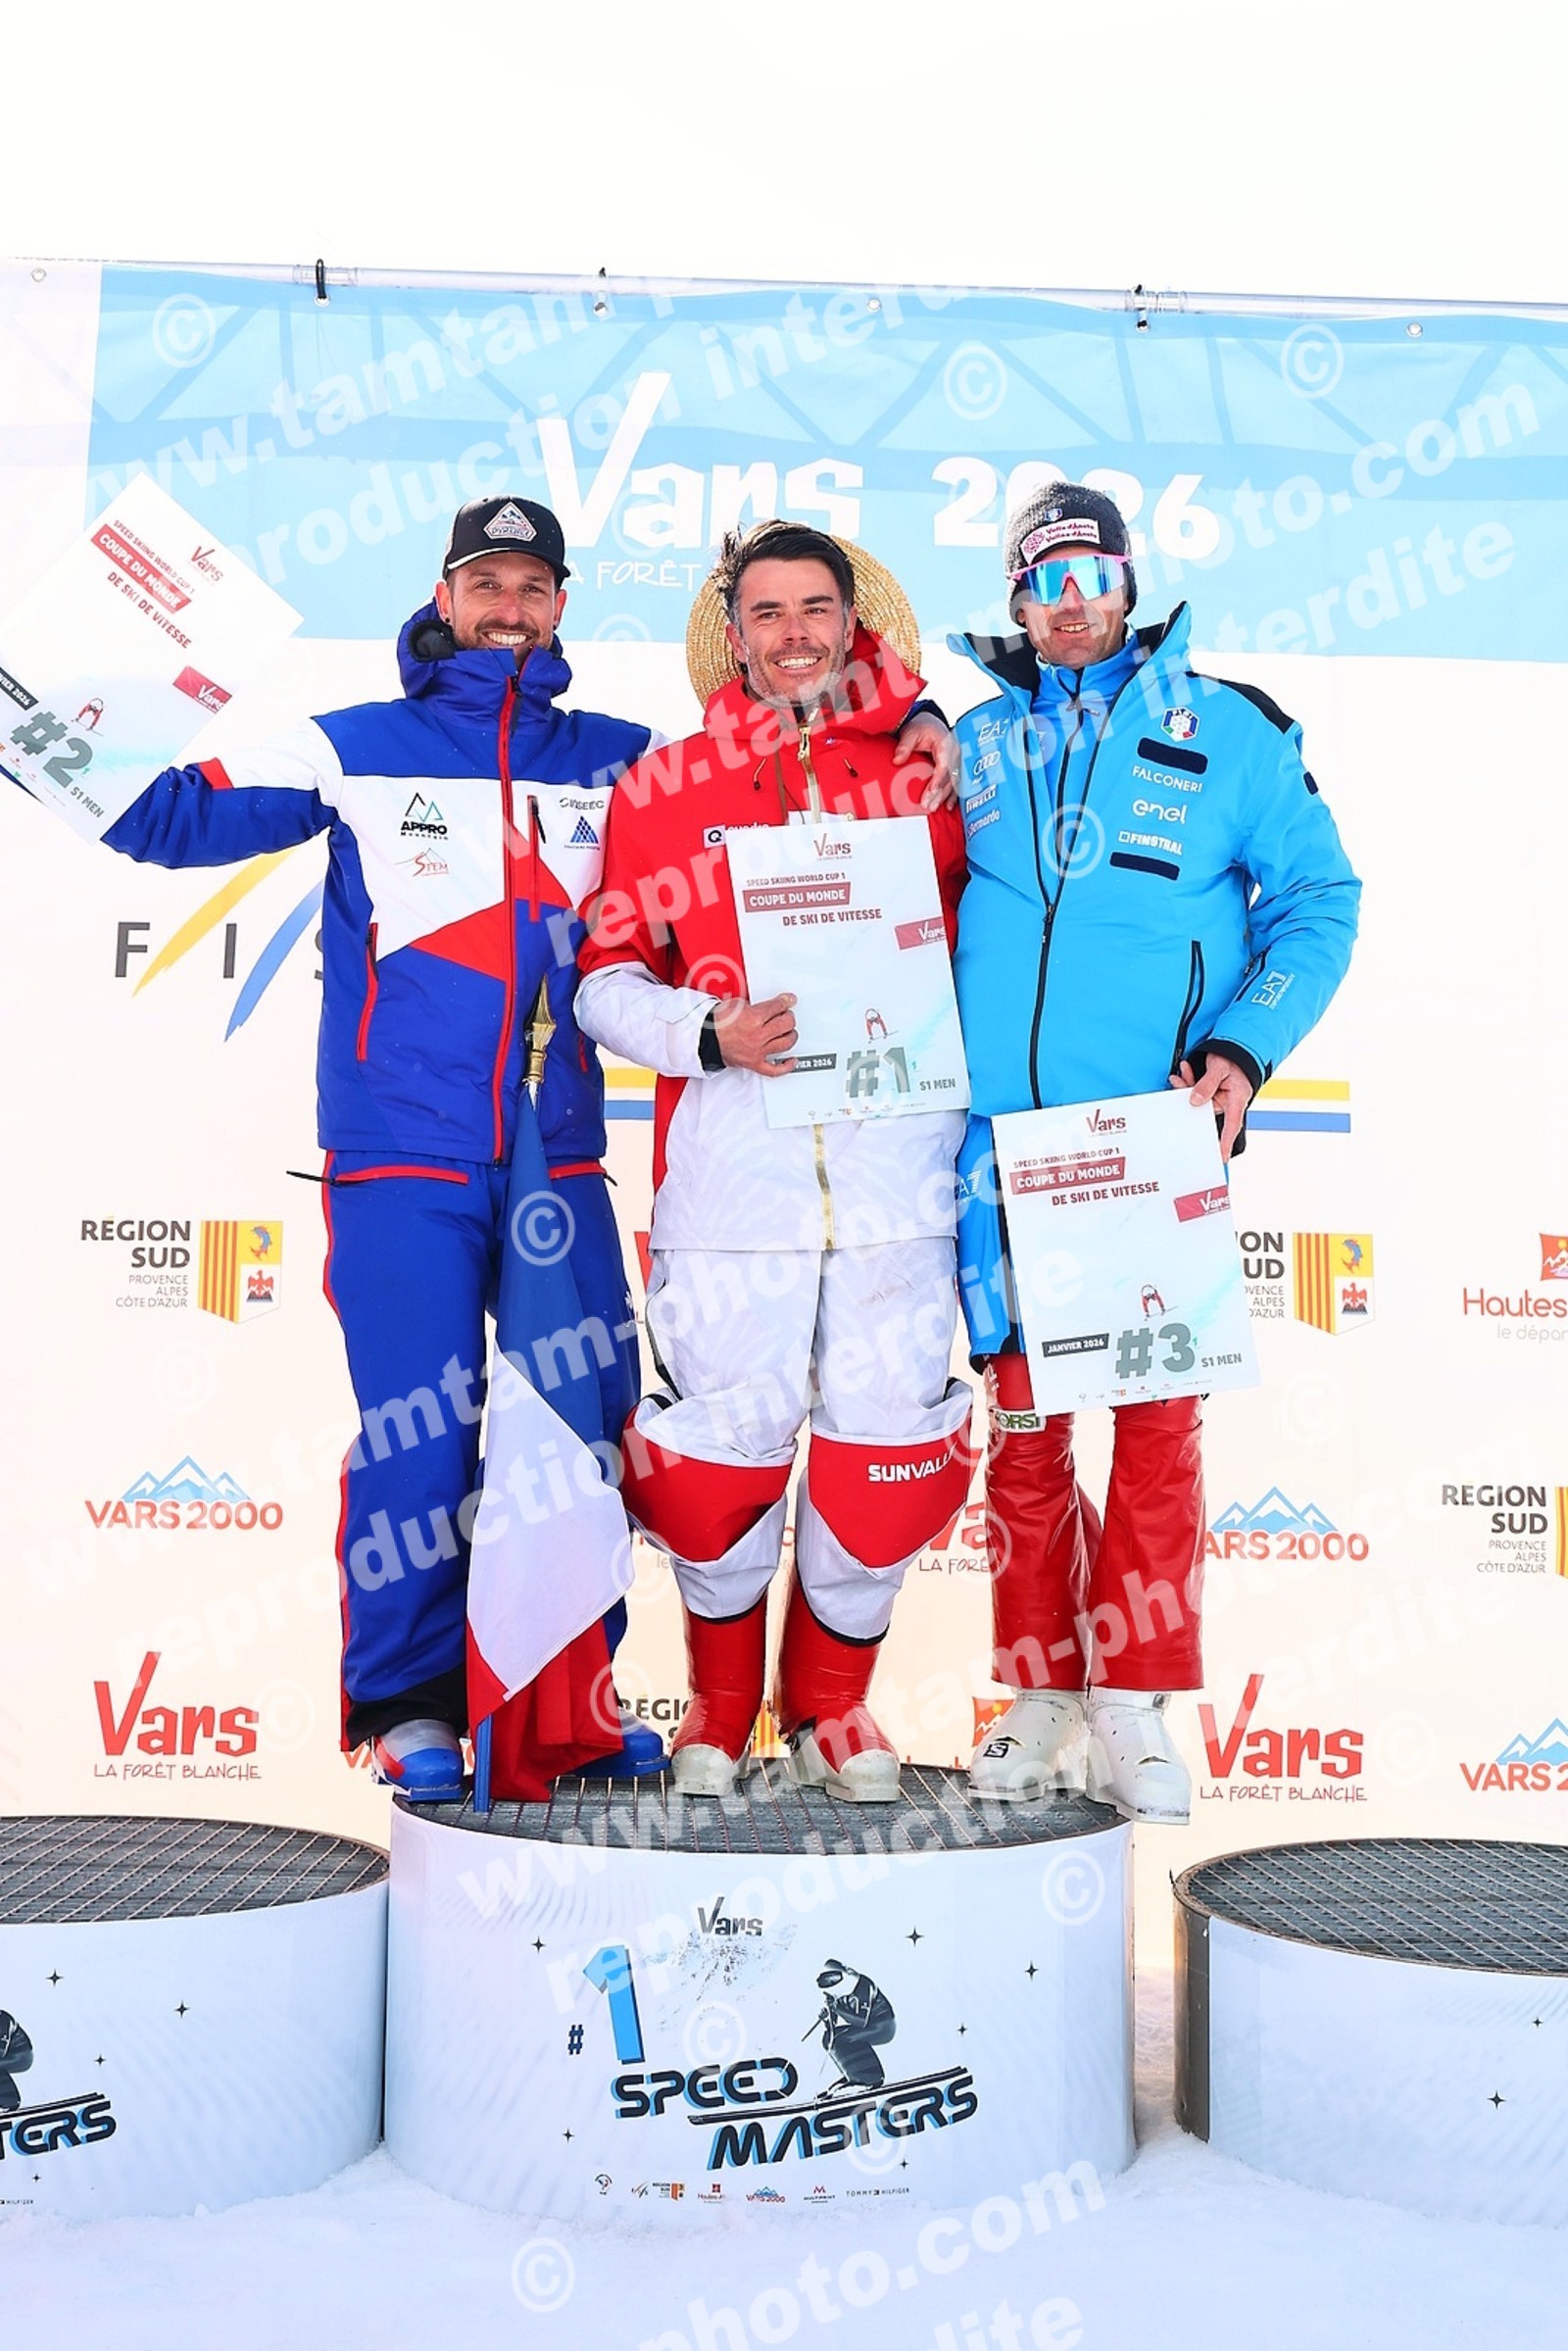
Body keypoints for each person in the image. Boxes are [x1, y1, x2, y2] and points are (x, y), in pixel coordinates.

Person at [101, 497, 659, 1801]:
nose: (508, 608)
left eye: (532, 586)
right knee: (420, 1433)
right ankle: (409, 1707)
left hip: (558, 1152)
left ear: (562, 605)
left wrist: (913, 722)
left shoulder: (624, 758)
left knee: (579, 1428)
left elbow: (776, 802)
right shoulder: (353, 745)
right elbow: (165, 820)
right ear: (444, 595)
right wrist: (49, 727)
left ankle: (566, 1707)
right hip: (403, 1153)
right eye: (486, 584)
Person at [951, 481, 1360, 1822]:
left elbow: (1319, 898)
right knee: (1021, 1423)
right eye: (1044, 579)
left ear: (1129, 585)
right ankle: (1039, 1690)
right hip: (999, 1147)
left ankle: (1132, 1698)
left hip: (1144, 1139)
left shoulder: (1229, 728)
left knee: (1153, 1427)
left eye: (1091, 574)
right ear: (1017, 601)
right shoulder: (974, 743)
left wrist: (1243, 1048)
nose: (1070, 601)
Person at [576, 521, 973, 1802]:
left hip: (897, 1185)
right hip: (733, 1189)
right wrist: (710, 1031)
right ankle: (718, 1702)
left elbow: (1010, 937)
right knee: (714, 1460)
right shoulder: (663, 786)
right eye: (768, 612)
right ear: (733, 632)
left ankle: (832, 1709)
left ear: (855, 624)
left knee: (883, 1455)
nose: (794, 633)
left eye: (816, 609)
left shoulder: (934, 776)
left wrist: (942, 727)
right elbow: (602, 981)